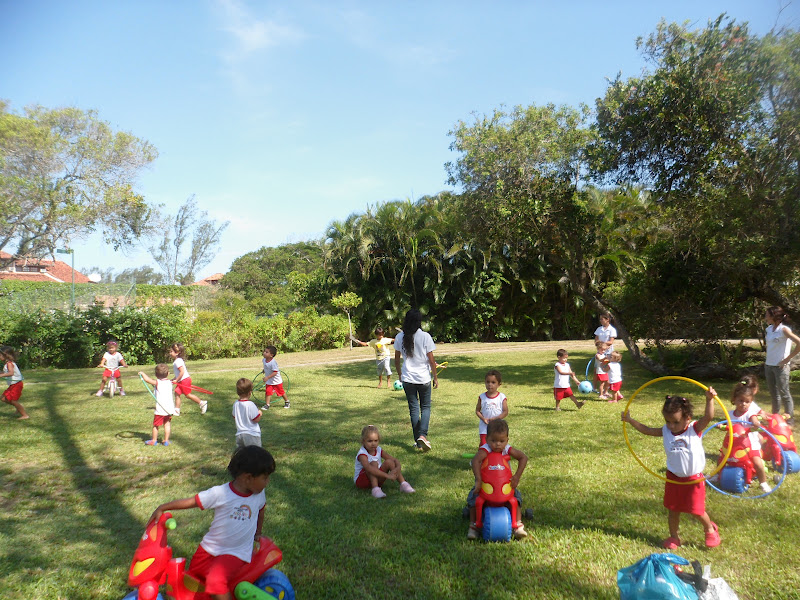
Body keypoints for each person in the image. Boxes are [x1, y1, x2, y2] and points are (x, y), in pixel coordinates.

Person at [148, 446, 275, 600]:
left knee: (215, 582)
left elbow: (260, 510)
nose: (267, 482)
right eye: (265, 478)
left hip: (236, 552)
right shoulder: (221, 493)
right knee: (194, 577)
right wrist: (163, 507)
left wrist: (257, 533)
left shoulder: (259, 494)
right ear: (248, 478)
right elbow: (192, 501)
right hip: (210, 547)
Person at [621, 389, 721, 549]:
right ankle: (674, 537)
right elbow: (647, 430)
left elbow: (708, 416)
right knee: (673, 509)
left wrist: (709, 399)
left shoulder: (694, 429)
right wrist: (630, 420)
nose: (671, 426)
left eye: (675, 422)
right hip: (673, 478)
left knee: (696, 510)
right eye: (668, 421)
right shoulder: (666, 431)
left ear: (687, 418)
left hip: (693, 478)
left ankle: (710, 529)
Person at [467, 419, 528, 540]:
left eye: (501, 441)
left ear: (507, 440)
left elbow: (523, 457)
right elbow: (475, 461)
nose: (497, 444)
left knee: (516, 499)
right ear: (487, 439)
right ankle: (473, 526)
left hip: (505, 484)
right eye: (493, 440)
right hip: (486, 484)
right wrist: (478, 480)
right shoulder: (485, 449)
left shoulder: (507, 449)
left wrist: (516, 477)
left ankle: (518, 525)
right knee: (474, 498)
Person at [394, 309, 438, 451]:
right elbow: (431, 360)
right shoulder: (425, 336)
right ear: (419, 321)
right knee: (425, 407)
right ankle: (423, 435)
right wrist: (435, 377)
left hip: (407, 378)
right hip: (423, 378)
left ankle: (418, 442)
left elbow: (396, 359)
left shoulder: (400, 337)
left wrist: (400, 374)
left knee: (413, 409)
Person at [729, 380, 772, 492]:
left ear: (751, 402)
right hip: (735, 443)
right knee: (723, 459)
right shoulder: (730, 414)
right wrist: (721, 426)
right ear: (734, 400)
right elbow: (727, 426)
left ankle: (763, 483)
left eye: (747, 401)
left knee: (757, 462)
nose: (744, 404)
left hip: (751, 443)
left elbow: (754, 421)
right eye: (741, 400)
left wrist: (755, 423)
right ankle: (717, 474)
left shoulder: (750, 413)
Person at [354, 425, 415, 498]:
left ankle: (403, 484)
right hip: (362, 481)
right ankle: (375, 489)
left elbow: (394, 460)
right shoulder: (362, 454)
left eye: (376, 441)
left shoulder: (378, 449)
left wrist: (397, 468)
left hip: (377, 478)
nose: (373, 443)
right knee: (373, 463)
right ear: (363, 441)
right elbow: (369, 469)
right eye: (370, 441)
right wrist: (387, 476)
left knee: (389, 462)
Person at [763, 306, 800, 425]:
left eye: (767, 315)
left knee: (784, 393)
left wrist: (787, 359)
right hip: (769, 365)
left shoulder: (784, 330)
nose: (765, 317)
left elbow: (799, 342)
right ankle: (775, 419)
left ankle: (790, 420)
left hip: (781, 367)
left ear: (774, 316)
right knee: (774, 394)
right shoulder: (769, 329)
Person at [139, 364, 175, 446]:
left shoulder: (157, 382)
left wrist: (142, 373)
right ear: (168, 374)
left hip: (160, 410)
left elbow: (147, 380)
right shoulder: (170, 382)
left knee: (156, 425)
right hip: (169, 409)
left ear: (156, 375)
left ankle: (154, 440)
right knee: (167, 424)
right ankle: (166, 440)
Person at [169, 342, 208, 416]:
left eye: (171, 351)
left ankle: (202, 403)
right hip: (181, 380)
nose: (170, 353)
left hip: (184, 380)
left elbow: (182, 372)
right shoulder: (177, 361)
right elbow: (178, 374)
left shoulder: (178, 361)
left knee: (187, 395)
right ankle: (177, 410)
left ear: (177, 353)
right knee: (177, 393)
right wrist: (173, 379)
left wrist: (176, 380)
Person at [475, 369, 508, 446]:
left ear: (499, 384)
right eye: (488, 382)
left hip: (498, 427)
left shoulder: (501, 397)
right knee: (484, 443)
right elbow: (477, 411)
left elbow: (505, 412)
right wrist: (483, 419)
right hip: (484, 427)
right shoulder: (482, 397)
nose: (490, 384)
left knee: (496, 444)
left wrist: (496, 419)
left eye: (493, 382)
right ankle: (482, 453)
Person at [0, 346, 29, 420]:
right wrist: (1, 372)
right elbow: (6, 372)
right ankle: (18, 407)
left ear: (6, 355)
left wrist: (1, 375)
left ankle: (25, 415)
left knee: (13, 400)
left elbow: (11, 373)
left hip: (16, 384)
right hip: (12, 385)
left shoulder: (9, 363)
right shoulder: (7, 364)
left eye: (0, 355)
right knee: (3, 398)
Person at [232, 378, 261, 448]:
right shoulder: (251, 404)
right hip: (252, 434)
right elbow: (256, 419)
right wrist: (259, 413)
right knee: (255, 453)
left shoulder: (236, 403)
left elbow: (234, 416)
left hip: (240, 435)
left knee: (242, 453)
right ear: (250, 392)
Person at [261, 346, 289, 410]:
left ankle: (287, 401)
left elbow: (275, 372)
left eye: (266, 352)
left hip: (276, 381)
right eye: (264, 351)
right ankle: (267, 405)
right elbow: (266, 366)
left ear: (271, 355)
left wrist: (267, 377)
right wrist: (264, 370)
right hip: (269, 381)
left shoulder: (273, 363)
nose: (264, 353)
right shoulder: (264, 360)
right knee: (268, 392)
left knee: (281, 392)